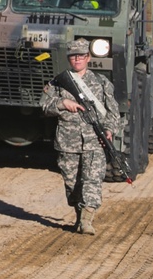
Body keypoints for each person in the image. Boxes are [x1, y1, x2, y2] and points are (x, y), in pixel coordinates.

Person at [39, 39, 122, 235]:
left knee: (92, 181)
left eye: (81, 56)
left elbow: (113, 112)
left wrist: (109, 129)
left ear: (88, 58)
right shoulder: (58, 82)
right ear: (69, 59)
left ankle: (87, 220)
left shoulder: (101, 82)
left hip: (95, 141)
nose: (77, 59)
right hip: (68, 142)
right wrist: (62, 103)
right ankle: (79, 214)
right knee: (72, 184)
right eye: (73, 56)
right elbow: (43, 106)